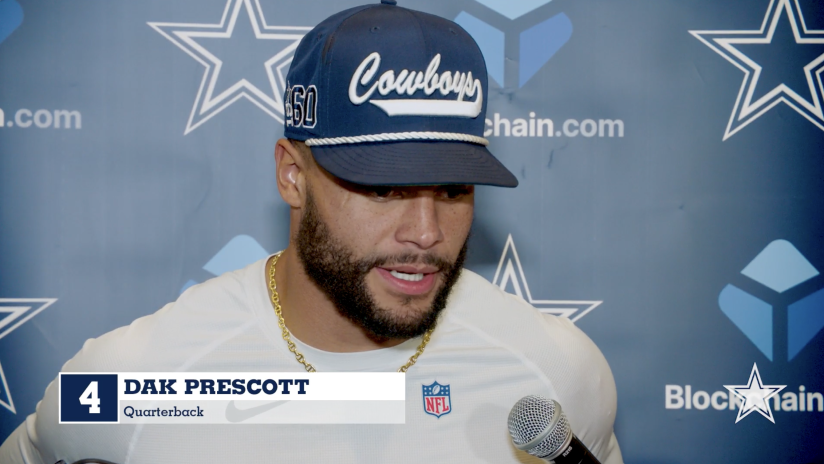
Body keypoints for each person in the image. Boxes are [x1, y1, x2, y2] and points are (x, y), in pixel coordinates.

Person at [0, 1, 623, 463]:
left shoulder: (555, 371)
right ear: (292, 176)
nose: (427, 233)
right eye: (383, 189)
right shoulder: (127, 385)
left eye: (455, 190)